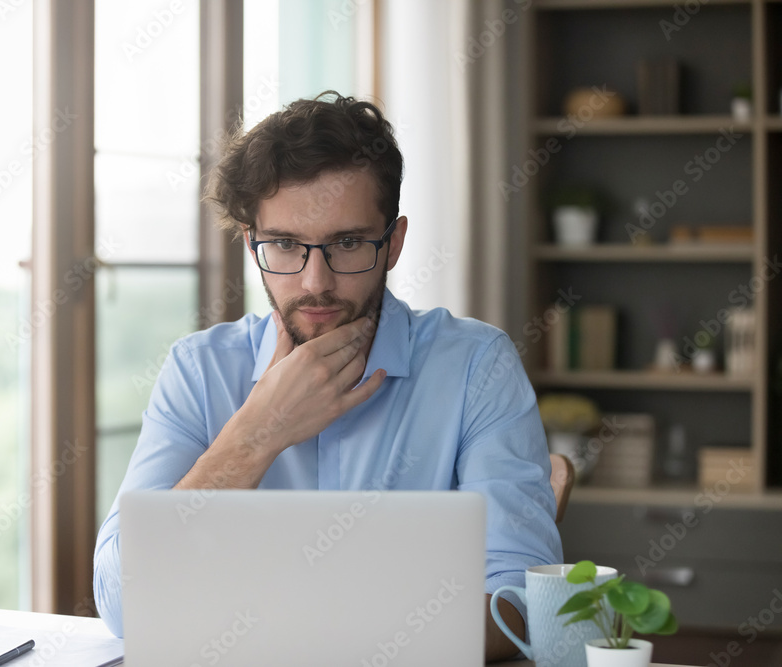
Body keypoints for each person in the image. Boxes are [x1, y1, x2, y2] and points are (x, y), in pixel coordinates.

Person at [93, 91, 562, 661]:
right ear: (251, 242)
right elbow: (122, 603)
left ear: (393, 243)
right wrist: (258, 434)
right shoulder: (198, 370)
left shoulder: (476, 367)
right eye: (286, 245)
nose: (316, 281)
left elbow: (518, 601)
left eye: (346, 242)